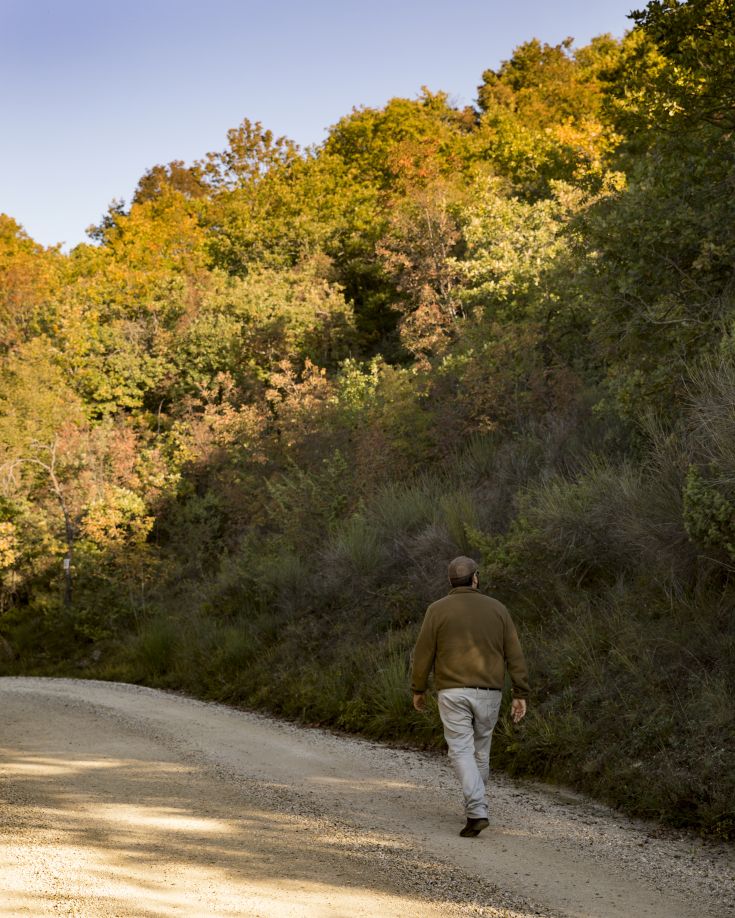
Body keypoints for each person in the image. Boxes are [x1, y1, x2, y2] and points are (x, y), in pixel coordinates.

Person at [411, 555, 529, 838]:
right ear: (475, 578)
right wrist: (520, 692)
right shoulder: (498, 609)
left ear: (451, 581)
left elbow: (423, 652)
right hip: (489, 692)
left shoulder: (437, 610)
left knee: (461, 750)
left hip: (452, 691)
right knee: (480, 751)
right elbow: (514, 652)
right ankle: (476, 806)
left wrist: (418, 688)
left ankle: (476, 810)